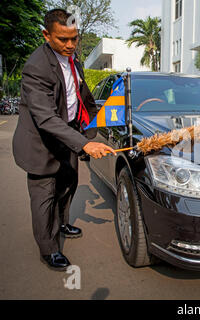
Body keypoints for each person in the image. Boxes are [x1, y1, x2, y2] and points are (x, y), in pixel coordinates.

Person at [12, 9, 116, 271]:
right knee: (44, 198)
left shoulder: (73, 59)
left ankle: (62, 223)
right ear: (47, 35)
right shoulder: (35, 68)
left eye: (74, 38)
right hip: (41, 142)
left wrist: (94, 126)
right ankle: (48, 249)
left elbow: (81, 96)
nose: (70, 45)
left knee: (68, 184)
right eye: (63, 40)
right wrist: (84, 144)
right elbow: (45, 118)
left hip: (68, 133)